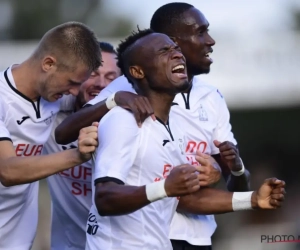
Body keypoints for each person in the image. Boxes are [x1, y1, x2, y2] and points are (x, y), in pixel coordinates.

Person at [55, 4, 250, 249]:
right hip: (145, 233)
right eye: (200, 33)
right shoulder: (126, 89)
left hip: (198, 236)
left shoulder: (212, 97)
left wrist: (233, 172)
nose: (210, 41)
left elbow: (231, 180)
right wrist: (114, 101)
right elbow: (64, 134)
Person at [85, 29, 285, 250]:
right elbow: (104, 198)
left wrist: (253, 199)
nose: (178, 55)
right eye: (164, 51)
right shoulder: (123, 120)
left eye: (176, 49)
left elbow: (185, 200)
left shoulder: (174, 128)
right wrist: (165, 187)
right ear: (137, 71)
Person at [0, 22, 100, 250]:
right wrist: (78, 155)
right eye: (72, 83)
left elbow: (99, 98)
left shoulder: (53, 98)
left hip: (17, 241)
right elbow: (7, 170)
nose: (75, 92)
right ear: (48, 64)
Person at [44, 41, 122, 250]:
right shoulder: (50, 115)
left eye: (111, 77)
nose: (102, 84)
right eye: (93, 74)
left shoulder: (135, 125)